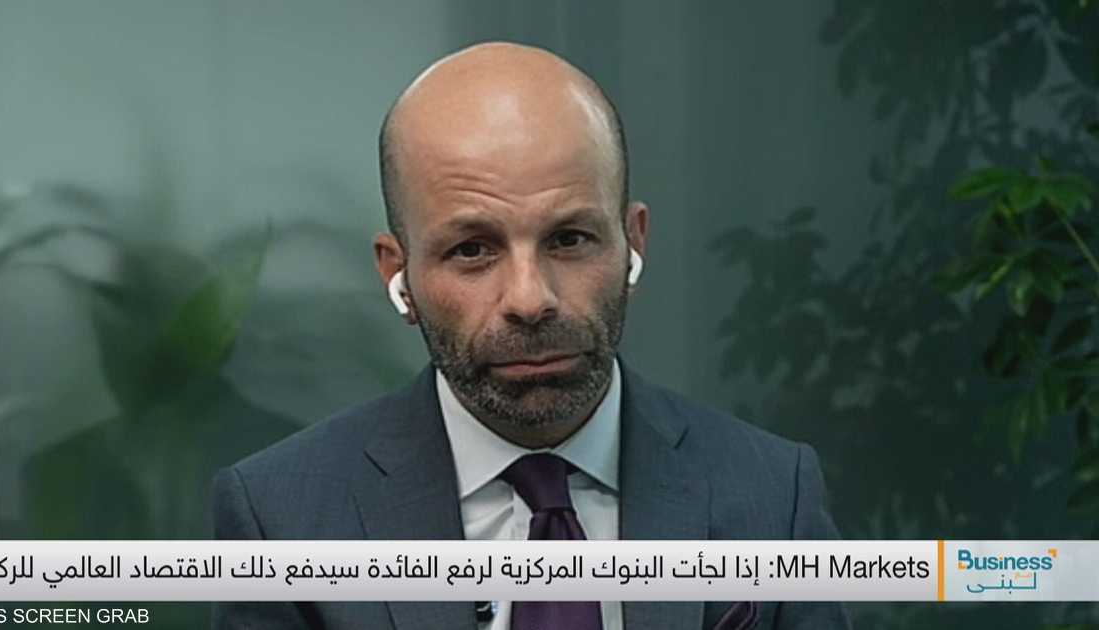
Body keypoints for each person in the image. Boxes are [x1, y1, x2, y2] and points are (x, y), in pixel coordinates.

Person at [212, 41, 851, 630]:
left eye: (569, 239)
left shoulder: (774, 494)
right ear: (398, 275)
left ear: (633, 242)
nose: (529, 299)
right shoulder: (280, 518)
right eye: (472, 250)